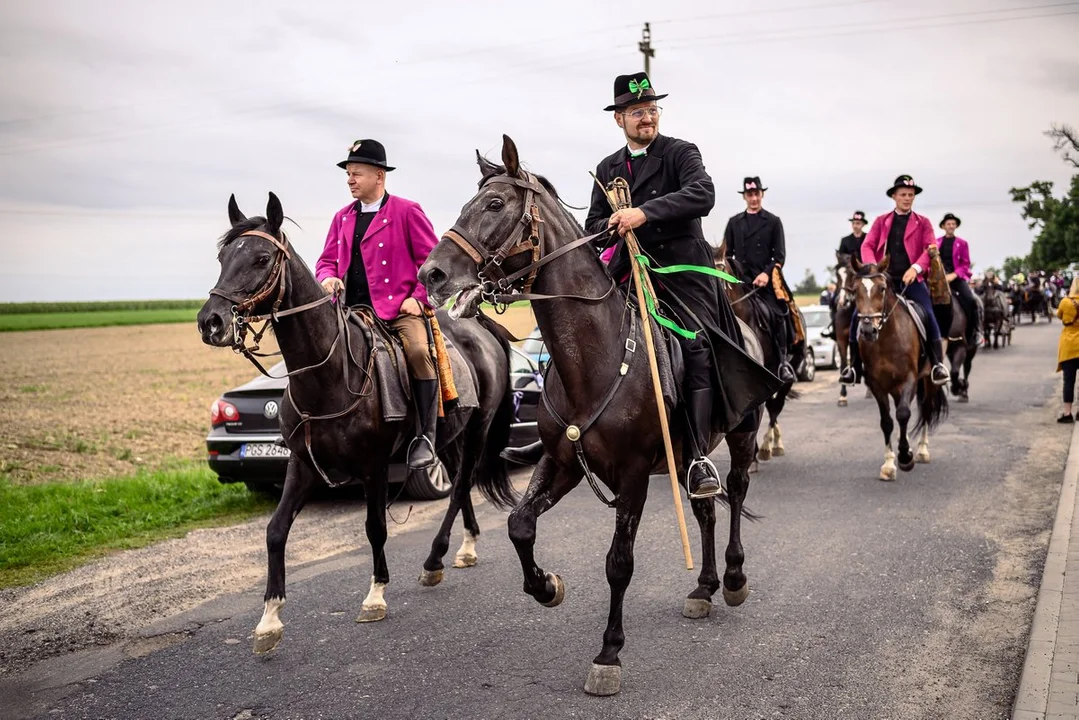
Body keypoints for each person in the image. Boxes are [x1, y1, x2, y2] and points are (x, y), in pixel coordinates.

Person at [504, 71, 778, 497]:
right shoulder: (607, 168)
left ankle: (699, 455)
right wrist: (612, 224)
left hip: (684, 274)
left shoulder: (680, 152)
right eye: (637, 112)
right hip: (628, 274)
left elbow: (702, 194)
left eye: (651, 109)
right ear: (619, 119)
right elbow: (593, 225)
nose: (646, 117)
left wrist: (643, 213)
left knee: (695, 344)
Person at [315, 138, 442, 470]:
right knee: (314, 352)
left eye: (356, 173)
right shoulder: (341, 218)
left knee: (417, 352)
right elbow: (326, 261)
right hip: (349, 312)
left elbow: (433, 266)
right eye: (348, 174)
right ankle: (306, 427)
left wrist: (419, 299)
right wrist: (327, 278)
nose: (350, 180)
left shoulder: (406, 211)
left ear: (379, 175)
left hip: (397, 311)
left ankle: (425, 437)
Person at [839, 174, 949, 386]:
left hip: (911, 281)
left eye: (910, 195)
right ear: (894, 197)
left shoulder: (923, 223)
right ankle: (853, 367)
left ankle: (937, 365)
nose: (907, 198)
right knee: (857, 316)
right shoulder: (882, 221)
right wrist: (874, 269)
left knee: (928, 314)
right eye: (903, 195)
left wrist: (916, 268)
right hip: (885, 281)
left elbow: (930, 248)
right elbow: (867, 246)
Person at [722, 177, 797, 383]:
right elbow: (728, 254)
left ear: (761, 195)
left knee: (780, 313)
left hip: (765, 283)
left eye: (756, 194)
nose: (753, 198)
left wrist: (766, 273)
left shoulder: (773, 222)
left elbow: (779, 255)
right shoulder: (734, 223)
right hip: (742, 283)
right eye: (749, 195)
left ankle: (783, 362)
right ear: (745, 197)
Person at [937, 213, 982, 346]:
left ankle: (975, 332)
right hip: (939, 280)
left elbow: (965, 264)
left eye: (953, 224)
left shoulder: (962, 243)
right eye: (948, 224)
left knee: (971, 300)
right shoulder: (936, 242)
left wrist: (954, 275)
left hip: (956, 279)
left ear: (956, 226)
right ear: (943, 226)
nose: (951, 226)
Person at [823, 210, 869, 338]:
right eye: (854, 223)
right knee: (833, 300)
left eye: (858, 223)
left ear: (863, 225)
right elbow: (841, 258)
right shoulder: (845, 240)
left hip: (863, 274)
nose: (856, 225)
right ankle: (834, 326)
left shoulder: (868, 238)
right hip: (848, 276)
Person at [1057, 277, 1079, 423]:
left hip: (1069, 345)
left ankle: (1067, 413)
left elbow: (1059, 315)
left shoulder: (1065, 301)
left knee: (1068, 381)